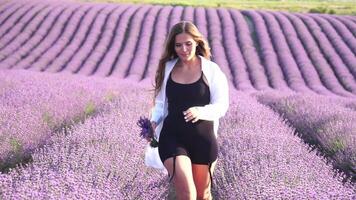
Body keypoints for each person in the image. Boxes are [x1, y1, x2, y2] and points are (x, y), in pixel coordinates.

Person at [149, 21, 229, 200]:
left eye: (188, 44)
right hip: (173, 138)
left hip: (203, 139)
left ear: (197, 43)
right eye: (178, 45)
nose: (183, 49)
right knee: (188, 194)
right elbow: (161, 104)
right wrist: (153, 122)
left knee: (203, 195)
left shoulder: (212, 70)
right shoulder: (167, 67)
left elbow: (222, 105)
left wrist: (201, 112)